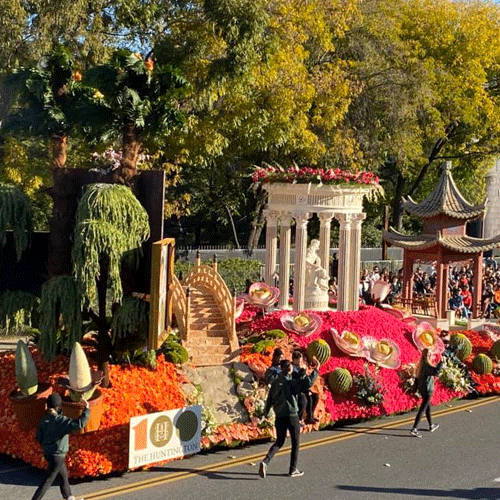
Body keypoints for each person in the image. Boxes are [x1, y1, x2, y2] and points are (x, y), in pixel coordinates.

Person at [259, 357, 320, 478]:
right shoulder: (291, 383)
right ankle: (293, 469)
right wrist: (316, 369)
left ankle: (266, 461)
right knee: (295, 442)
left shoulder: (275, 383)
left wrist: (265, 412)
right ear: (290, 369)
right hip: (291, 415)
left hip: (279, 416)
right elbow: (308, 382)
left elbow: (269, 399)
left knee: (279, 441)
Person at [31, 393, 90, 500]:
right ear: (58, 406)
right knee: (47, 481)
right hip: (58, 455)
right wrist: (86, 409)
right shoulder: (60, 421)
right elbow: (79, 424)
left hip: (49, 453)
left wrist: (47, 446)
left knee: (64, 477)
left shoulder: (44, 419)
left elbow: (38, 438)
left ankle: (69, 497)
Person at [410, 349, 443, 438]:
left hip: (422, 388)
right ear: (428, 356)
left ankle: (431, 426)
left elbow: (417, 377)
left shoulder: (421, 364)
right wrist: (441, 363)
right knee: (423, 409)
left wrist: (415, 388)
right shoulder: (426, 365)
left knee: (428, 407)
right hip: (427, 389)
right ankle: (414, 428)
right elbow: (435, 372)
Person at [291, 350, 319, 425]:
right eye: (298, 361)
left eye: (301, 361)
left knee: (315, 396)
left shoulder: (300, 368)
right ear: (294, 360)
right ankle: (304, 418)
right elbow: (300, 380)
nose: (300, 363)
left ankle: (311, 416)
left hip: (303, 388)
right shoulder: (292, 368)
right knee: (307, 398)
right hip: (296, 390)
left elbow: (307, 380)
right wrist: (302, 371)